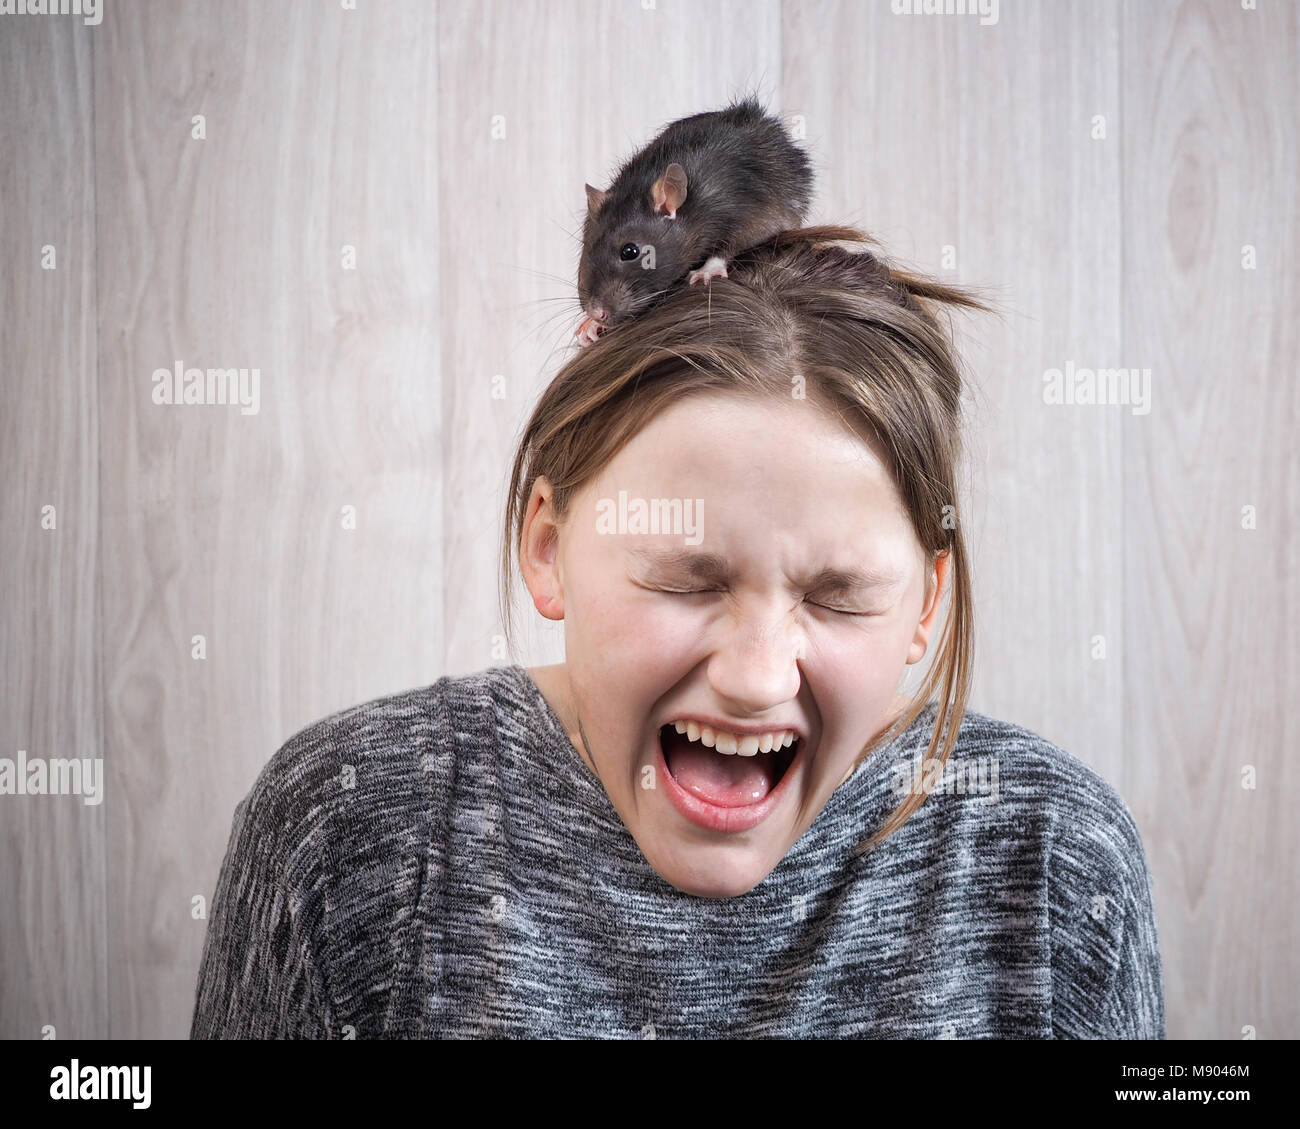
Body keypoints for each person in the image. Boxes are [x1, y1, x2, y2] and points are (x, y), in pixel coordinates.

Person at [191, 225, 1164, 1038]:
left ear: (923, 603)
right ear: (548, 545)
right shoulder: (350, 828)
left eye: (837, 595)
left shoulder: (1052, 860)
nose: (753, 676)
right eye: (686, 577)